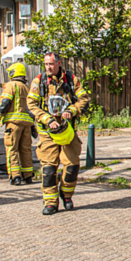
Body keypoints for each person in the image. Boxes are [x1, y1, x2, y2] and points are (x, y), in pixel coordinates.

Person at [27, 52, 91, 215]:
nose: (48, 67)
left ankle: (66, 195)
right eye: (46, 64)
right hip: (47, 132)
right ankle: (50, 203)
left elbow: (83, 99)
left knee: (72, 167)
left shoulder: (71, 80)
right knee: (48, 170)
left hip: (67, 130)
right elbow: (31, 105)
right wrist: (47, 119)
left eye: (51, 64)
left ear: (58, 63)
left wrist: (72, 110)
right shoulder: (39, 81)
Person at [0, 62, 34, 186]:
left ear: (12, 73)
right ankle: (28, 176)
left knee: (12, 149)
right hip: (27, 124)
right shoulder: (26, 87)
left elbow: (5, 103)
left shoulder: (10, 86)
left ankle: (15, 176)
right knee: (26, 150)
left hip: (13, 123)